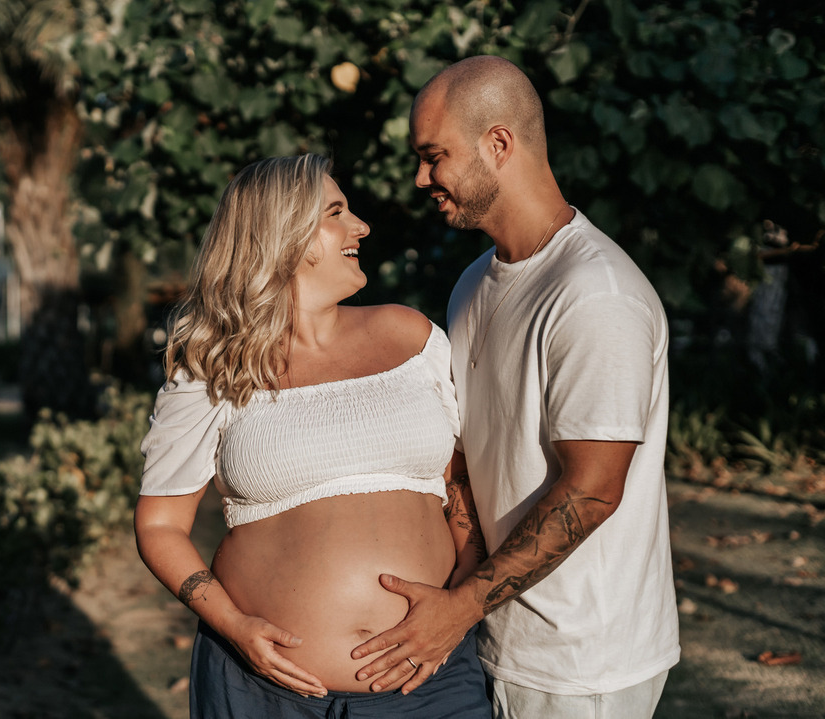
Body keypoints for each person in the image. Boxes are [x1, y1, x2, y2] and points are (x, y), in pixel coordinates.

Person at [348, 55, 680, 716]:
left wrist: (457, 608)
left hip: (584, 663)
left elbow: (591, 488)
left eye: (433, 156)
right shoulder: (473, 285)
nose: (421, 178)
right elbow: (472, 460)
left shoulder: (594, 293)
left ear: (498, 143)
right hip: (491, 634)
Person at [134, 153, 492, 718]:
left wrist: (454, 610)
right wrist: (234, 625)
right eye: (336, 213)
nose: (362, 227)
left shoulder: (413, 336)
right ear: (284, 238)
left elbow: (464, 487)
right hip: (264, 691)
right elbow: (159, 526)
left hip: (428, 685)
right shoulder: (215, 365)